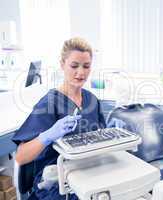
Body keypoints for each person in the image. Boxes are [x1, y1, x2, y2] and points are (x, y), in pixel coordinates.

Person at [12, 37, 106, 200]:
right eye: (74, 66)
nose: (81, 72)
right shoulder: (49, 103)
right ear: (62, 64)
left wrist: (112, 132)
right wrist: (47, 136)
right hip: (56, 182)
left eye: (86, 66)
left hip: (88, 174)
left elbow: (100, 140)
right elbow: (21, 156)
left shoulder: (92, 100)